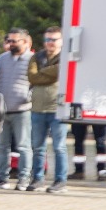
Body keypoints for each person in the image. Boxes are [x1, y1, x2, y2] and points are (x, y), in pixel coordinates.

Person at [0, 29, 34, 191]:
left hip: (22, 110)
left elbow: (36, 83)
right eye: (9, 40)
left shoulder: (32, 59)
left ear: (25, 42)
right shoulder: (2, 58)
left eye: (15, 41)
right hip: (2, 110)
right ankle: (2, 178)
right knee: (1, 146)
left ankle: (23, 178)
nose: (11, 44)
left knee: (23, 146)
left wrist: (29, 97)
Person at [28, 28, 68, 193]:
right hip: (37, 108)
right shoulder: (36, 57)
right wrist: (50, 72)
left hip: (58, 108)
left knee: (59, 147)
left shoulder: (65, 57)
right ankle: (37, 179)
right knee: (38, 147)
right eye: (47, 40)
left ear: (61, 41)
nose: (50, 43)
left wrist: (43, 72)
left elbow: (60, 71)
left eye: (54, 39)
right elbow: (32, 76)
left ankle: (60, 181)